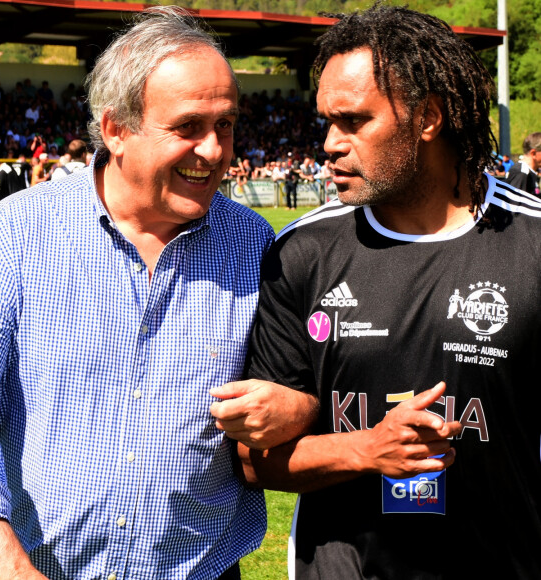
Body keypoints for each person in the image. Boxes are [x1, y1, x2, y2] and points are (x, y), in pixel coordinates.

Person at [0, 8, 315, 579]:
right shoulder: (14, 238)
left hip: (205, 569)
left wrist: (298, 406)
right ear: (115, 130)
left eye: (225, 125)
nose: (214, 149)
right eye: (188, 127)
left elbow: (293, 384)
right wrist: (7, 568)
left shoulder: (256, 244)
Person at [211, 4, 541, 579]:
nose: (330, 144)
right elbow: (255, 461)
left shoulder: (532, 241)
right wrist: (365, 450)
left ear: (428, 116)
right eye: (326, 122)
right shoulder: (301, 252)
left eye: (354, 121)